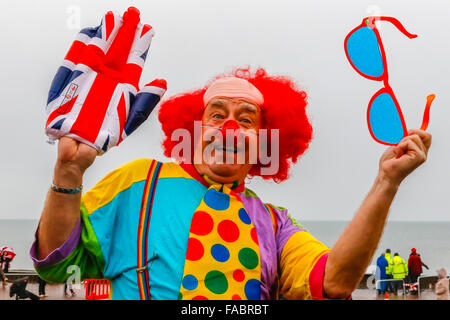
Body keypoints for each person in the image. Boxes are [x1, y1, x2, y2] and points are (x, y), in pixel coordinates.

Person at [29, 7, 432, 300]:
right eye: (216, 115)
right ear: (196, 130)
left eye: (246, 119)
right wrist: (68, 171)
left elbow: (334, 282)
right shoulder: (139, 181)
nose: (228, 127)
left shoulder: (275, 225)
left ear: (264, 140)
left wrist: (386, 183)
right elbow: (56, 264)